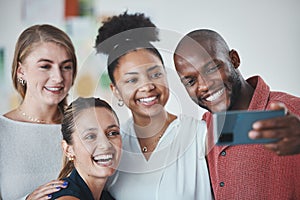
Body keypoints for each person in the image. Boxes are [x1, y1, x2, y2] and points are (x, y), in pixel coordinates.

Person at [94, 12, 213, 200]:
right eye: (132, 80)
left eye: (155, 74)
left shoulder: (200, 135)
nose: (147, 86)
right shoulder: (113, 147)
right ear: (115, 90)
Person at [173, 29, 300, 199]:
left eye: (211, 69)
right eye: (190, 81)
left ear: (234, 59)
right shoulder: (205, 126)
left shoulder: (292, 112)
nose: (204, 85)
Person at [0, 24, 77, 200]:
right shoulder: (2, 131)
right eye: (45, 66)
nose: (58, 78)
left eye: (66, 67)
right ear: (21, 71)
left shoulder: (83, 127)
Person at [50, 97, 122, 200]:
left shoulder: (105, 196)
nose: (106, 144)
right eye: (90, 136)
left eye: (112, 133)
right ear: (68, 150)